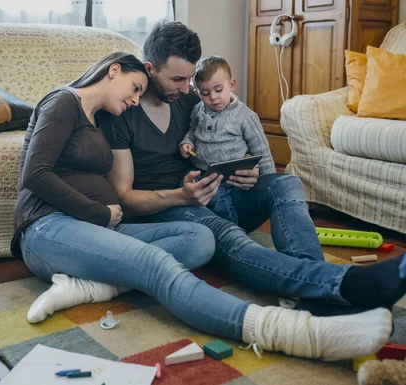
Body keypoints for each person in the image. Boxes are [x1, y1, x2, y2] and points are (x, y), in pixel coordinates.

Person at [21, 22, 406, 361]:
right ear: (143, 69)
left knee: (279, 187)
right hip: (156, 207)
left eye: (191, 80)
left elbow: (230, 118)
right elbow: (96, 186)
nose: (187, 89)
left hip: (209, 191)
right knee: (211, 242)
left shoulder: (189, 98)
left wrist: (243, 170)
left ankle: (316, 289)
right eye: (176, 80)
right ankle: (326, 296)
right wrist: (164, 199)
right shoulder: (108, 110)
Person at [179, 55, 275, 223]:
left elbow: (261, 150)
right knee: (185, 189)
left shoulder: (245, 116)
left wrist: (268, 181)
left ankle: (231, 234)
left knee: (221, 204)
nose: (213, 97)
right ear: (197, 93)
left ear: (231, 85)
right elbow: (192, 131)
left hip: (230, 177)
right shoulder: (198, 111)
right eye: (205, 93)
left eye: (218, 90)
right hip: (201, 172)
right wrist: (186, 143)